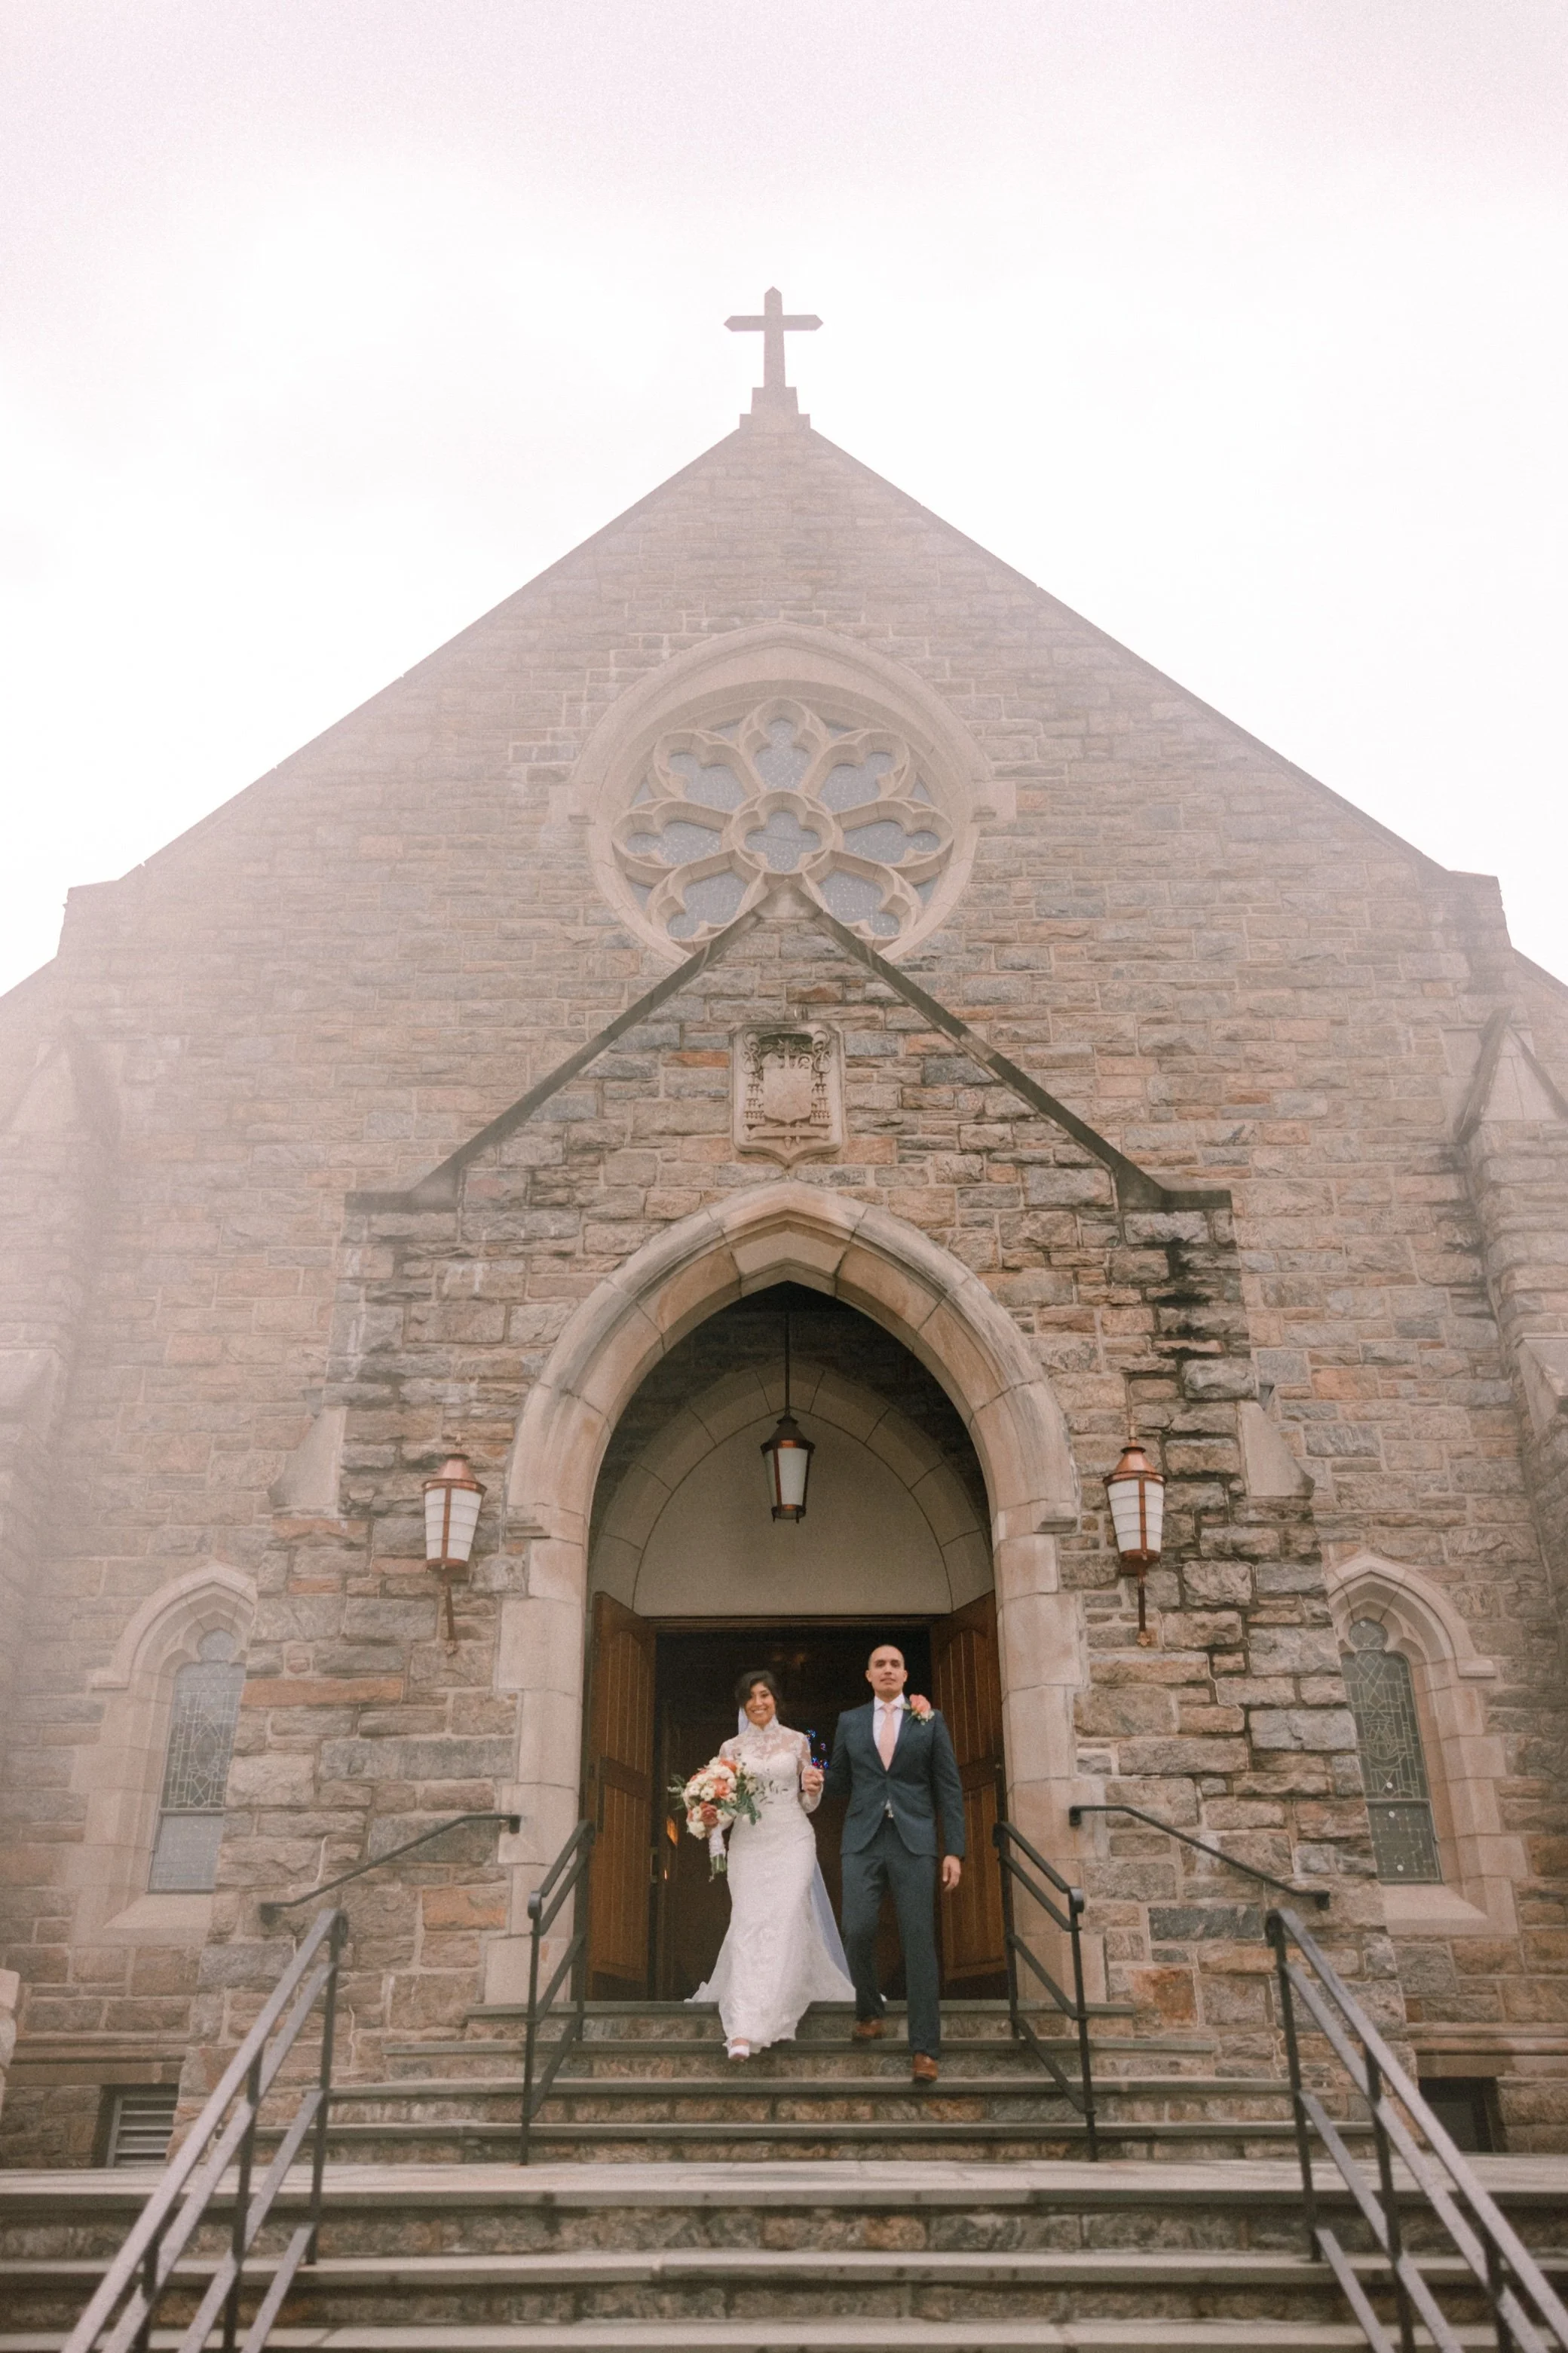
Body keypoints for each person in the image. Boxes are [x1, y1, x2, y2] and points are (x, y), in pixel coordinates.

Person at [691, 1667, 855, 2061]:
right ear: (743, 1705)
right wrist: (711, 1818)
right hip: (749, 1843)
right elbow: (728, 1807)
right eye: (751, 1697)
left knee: (784, 1917)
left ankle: (768, 2017)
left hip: (793, 1837)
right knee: (748, 1923)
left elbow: (807, 1801)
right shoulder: (730, 1749)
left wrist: (814, 1789)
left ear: (776, 1700)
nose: (758, 1703)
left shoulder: (798, 1742)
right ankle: (744, 2025)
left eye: (765, 1695)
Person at [822, 1641, 966, 2082]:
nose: (887, 1670)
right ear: (868, 1675)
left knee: (919, 1941)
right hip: (862, 1838)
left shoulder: (930, 1719)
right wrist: (813, 1778)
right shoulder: (850, 1721)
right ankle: (870, 2010)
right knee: (857, 1929)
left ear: (905, 1675)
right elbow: (842, 1778)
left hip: (914, 1841)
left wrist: (953, 1850)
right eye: (879, 1665)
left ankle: (925, 2049)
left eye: (895, 1665)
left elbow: (949, 1788)